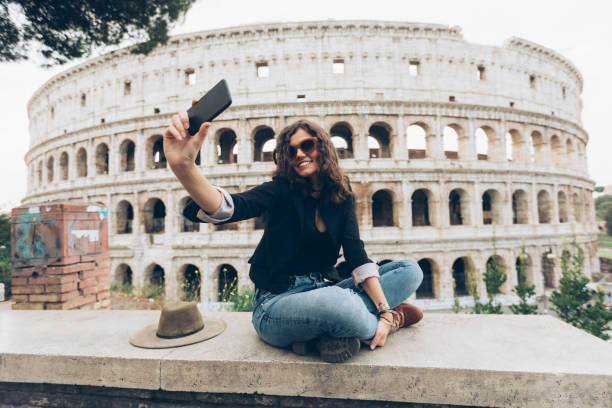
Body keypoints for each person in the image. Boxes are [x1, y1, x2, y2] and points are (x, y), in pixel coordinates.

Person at [164, 106, 424, 363]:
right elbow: (231, 207)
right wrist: (185, 166)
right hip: (276, 306)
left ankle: (329, 332)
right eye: (290, 151)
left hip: (322, 289)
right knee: (340, 303)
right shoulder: (281, 190)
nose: (299, 153)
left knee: (410, 270)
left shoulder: (341, 195)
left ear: (323, 147)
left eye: (307, 145)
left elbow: (357, 257)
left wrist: (384, 309)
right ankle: (374, 326)